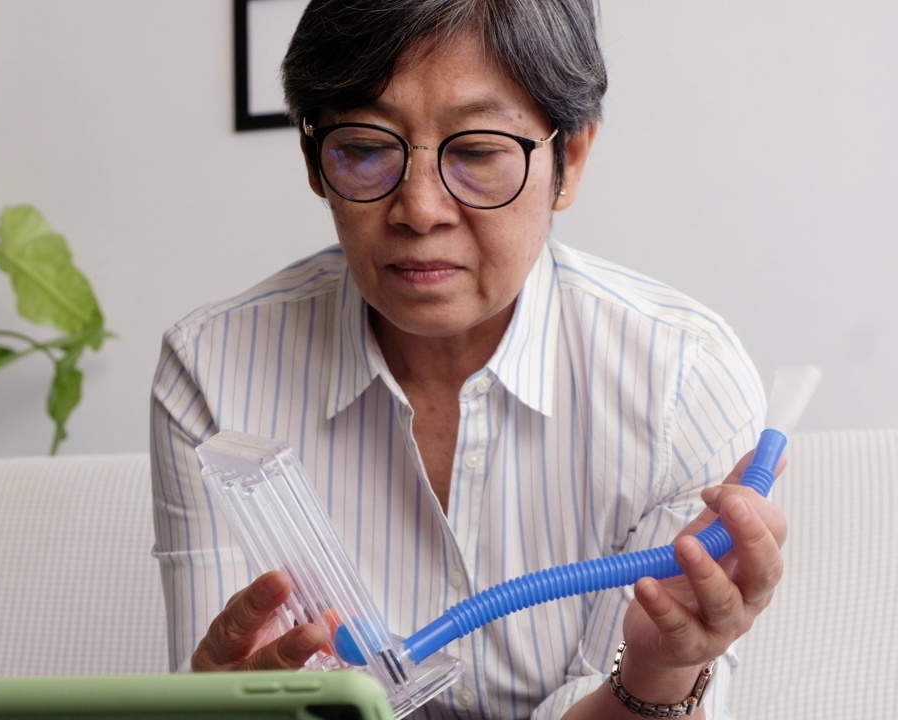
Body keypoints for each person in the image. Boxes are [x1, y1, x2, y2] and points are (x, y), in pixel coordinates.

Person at [150, 1, 787, 717]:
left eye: (478, 152)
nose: (419, 209)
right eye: (365, 147)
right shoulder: (212, 366)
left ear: (568, 158)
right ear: (314, 163)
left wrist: (655, 675)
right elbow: (222, 688)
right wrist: (215, 695)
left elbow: (639, 685)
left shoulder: (682, 380)